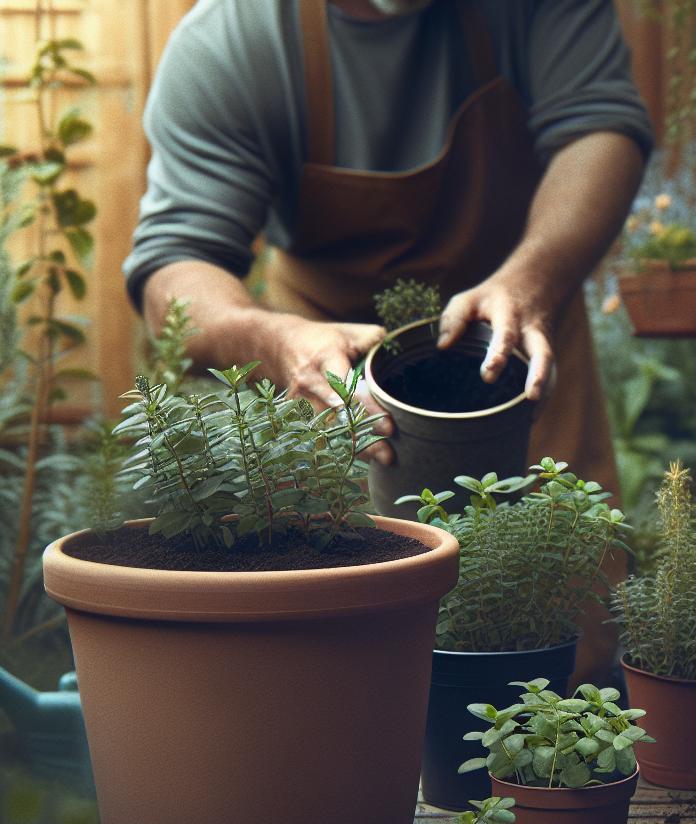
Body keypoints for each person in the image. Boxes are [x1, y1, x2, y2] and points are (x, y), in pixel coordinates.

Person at [125, 0, 651, 681]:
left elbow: (600, 128)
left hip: (519, 344)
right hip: (327, 381)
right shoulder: (231, 41)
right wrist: (272, 340)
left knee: (562, 648)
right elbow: (175, 264)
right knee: (342, 663)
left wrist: (531, 281)